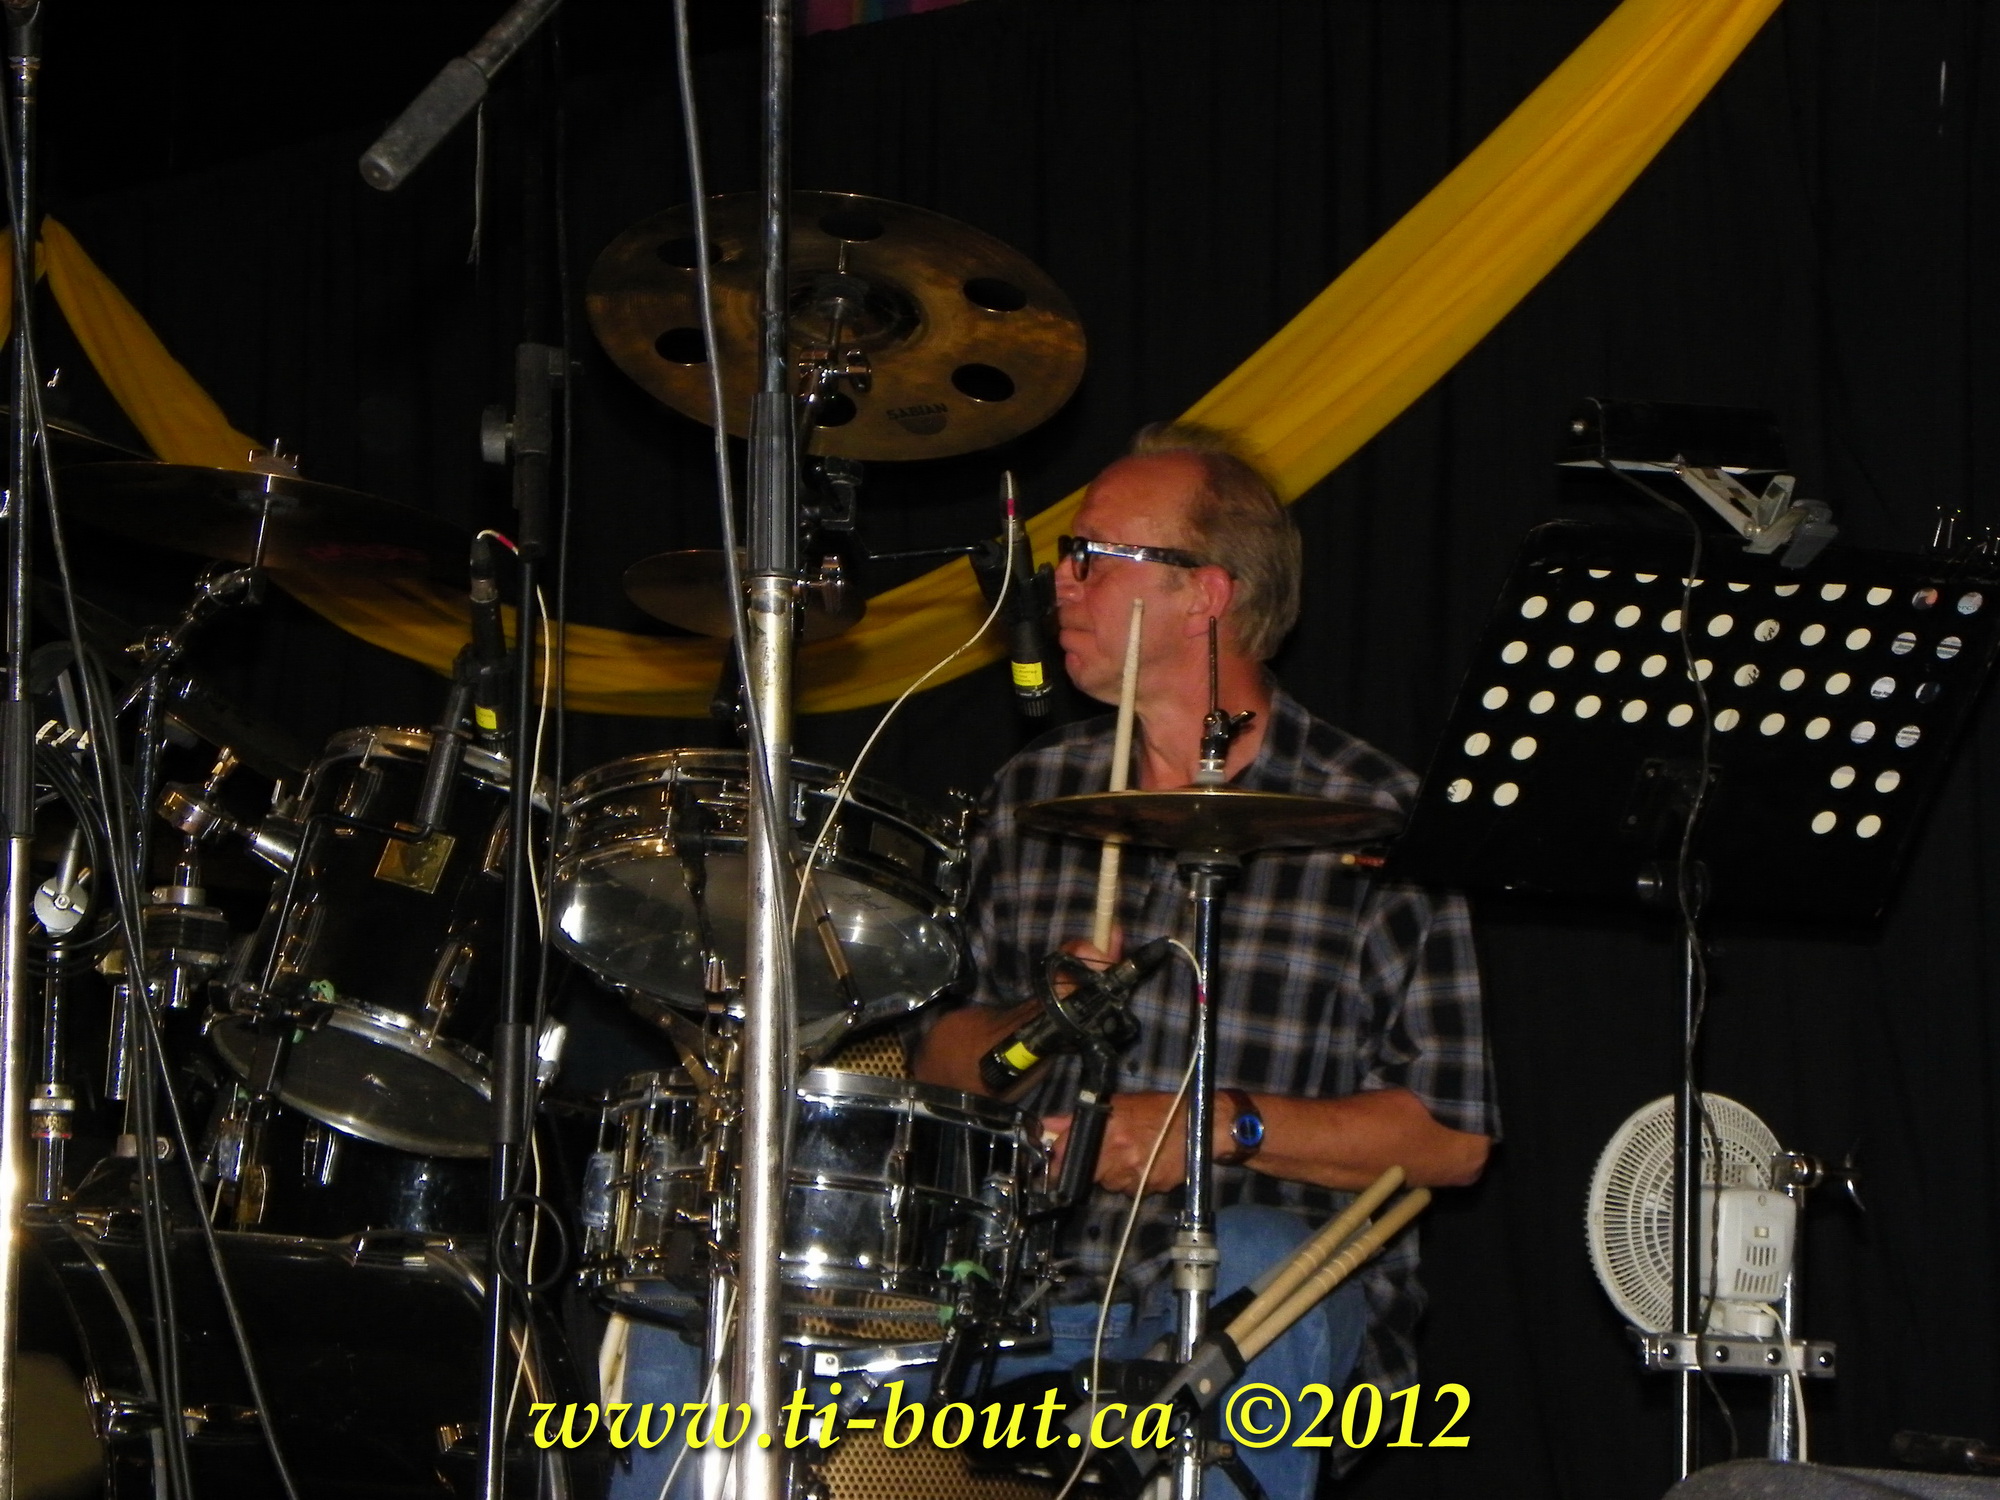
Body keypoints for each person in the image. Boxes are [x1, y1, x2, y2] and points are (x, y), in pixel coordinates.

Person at [913, 421, 1498, 1487]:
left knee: (1256, 1250)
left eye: (1093, 555)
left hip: (1267, 1301)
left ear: (1205, 595)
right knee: (705, 1316)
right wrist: (1041, 1017)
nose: (1061, 582)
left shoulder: (1379, 815)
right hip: (1028, 1304)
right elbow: (940, 1066)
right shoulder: (1031, 796)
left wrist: (1214, 1129)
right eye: (1066, 556)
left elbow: (1451, 1140)